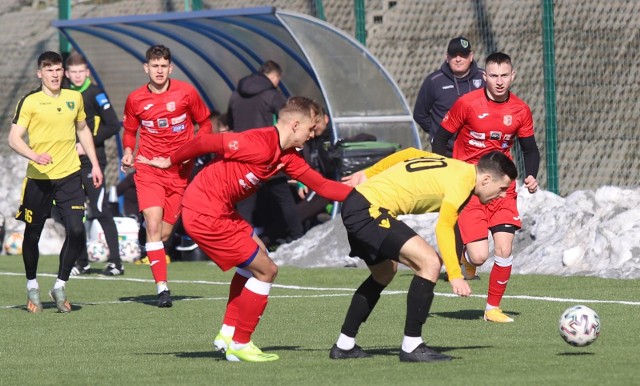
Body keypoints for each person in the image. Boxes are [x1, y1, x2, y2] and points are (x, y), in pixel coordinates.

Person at [137, 96, 353, 362]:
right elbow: (206, 141)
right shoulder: (258, 142)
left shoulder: (287, 157)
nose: (312, 135)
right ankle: (241, 344)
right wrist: (169, 161)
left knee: (257, 256)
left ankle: (228, 334)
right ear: (296, 125)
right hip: (204, 210)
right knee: (267, 270)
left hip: (222, 211)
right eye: (311, 129)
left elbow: (322, 186)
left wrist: (364, 193)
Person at [329, 148, 517, 361]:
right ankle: (412, 345)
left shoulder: (456, 166)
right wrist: (455, 274)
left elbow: (408, 152)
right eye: (502, 188)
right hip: (369, 210)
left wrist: (371, 172)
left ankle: (344, 345)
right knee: (430, 263)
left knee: (383, 273)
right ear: (486, 179)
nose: (502, 194)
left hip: (359, 204)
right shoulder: (463, 182)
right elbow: (444, 226)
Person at [433, 52, 540, 323]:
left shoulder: (520, 110)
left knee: (504, 249)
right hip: (471, 188)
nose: (500, 81)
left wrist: (532, 175)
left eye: (505, 75)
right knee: (479, 257)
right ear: (484, 76)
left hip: (503, 188)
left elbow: (529, 148)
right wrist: (448, 172)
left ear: (513, 76)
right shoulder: (467, 104)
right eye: (494, 75)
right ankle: (466, 253)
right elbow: (441, 139)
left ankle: (492, 308)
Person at [8, 51, 103, 313]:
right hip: (39, 178)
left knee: (75, 231)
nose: (55, 74)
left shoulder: (75, 98)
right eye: (49, 70)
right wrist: (33, 154)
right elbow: (14, 138)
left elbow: (83, 130)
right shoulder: (30, 102)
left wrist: (94, 164)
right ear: (40, 73)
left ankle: (60, 285)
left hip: (70, 175)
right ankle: (31, 285)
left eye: (58, 69)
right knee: (32, 233)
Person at [121, 44, 212, 307]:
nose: (159, 71)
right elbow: (130, 130)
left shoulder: (186, 92)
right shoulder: (135, 99)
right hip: (148, 168)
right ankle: (163, 289)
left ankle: (147, 233)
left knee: (161, 235)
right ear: (146, 68)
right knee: (153, 226)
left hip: (179, 171)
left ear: (170, 68)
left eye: (164, 66)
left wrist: (196, 146)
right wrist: (128, 150)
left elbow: (205, 123)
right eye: (154, 66)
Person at [227, 60, 304, 244]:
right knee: (284, 197)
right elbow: (290, 118)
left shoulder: (235, 95)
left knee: (245, 203)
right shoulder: (271, 94)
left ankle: (242, 243)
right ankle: (298, 238)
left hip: (243, 156)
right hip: (267, 154)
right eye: (278, 79)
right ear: (275, 76)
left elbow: (230, 123)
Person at [64, 52, 125, 276]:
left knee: (100, 209)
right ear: (67, 74)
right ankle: (82, 262)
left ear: (87, 72)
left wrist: (87, 145)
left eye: (81, 71)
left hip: (93, 162)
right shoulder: (65, 94)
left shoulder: (96, 94)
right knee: (73, 213)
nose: (78, 76)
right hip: (69, 163)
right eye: (73, 72)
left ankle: (116, 262)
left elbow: (113, 125)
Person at [413, 36, 485, 157]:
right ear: (447, 57)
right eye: (453, 55)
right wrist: (438, 131)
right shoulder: (434, 81)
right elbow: (420, 114)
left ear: (471, 56)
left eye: (463, 55)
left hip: (478, 150)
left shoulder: (484, 78)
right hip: (445, 151)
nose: (458, 59)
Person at [295, 109, 335, 231]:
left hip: (325, 186)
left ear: (326, 119)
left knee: (296, 214)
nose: (315, 127)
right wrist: (300, 182)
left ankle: (265, 239)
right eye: (312, 123)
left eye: (317, 122)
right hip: (312, 183)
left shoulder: (332, 138)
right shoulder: (309, 141)